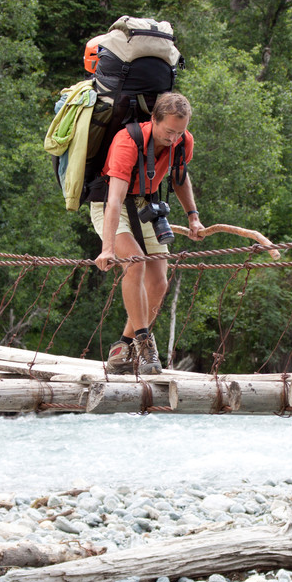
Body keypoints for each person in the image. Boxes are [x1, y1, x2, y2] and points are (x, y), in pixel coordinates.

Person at [91, 92, 205, 375]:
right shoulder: (127, 142)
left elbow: (180, 178)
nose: (175, 138)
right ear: (153, 120)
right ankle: (144, 345)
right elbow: (115, 200)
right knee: (135, 262)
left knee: (159, 284)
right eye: (169, 131)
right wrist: (107, 249)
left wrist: (193, 217)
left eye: (180, 131)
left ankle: (123, 346)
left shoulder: (182, 141)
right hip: (109, 205)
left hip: (147, 205)